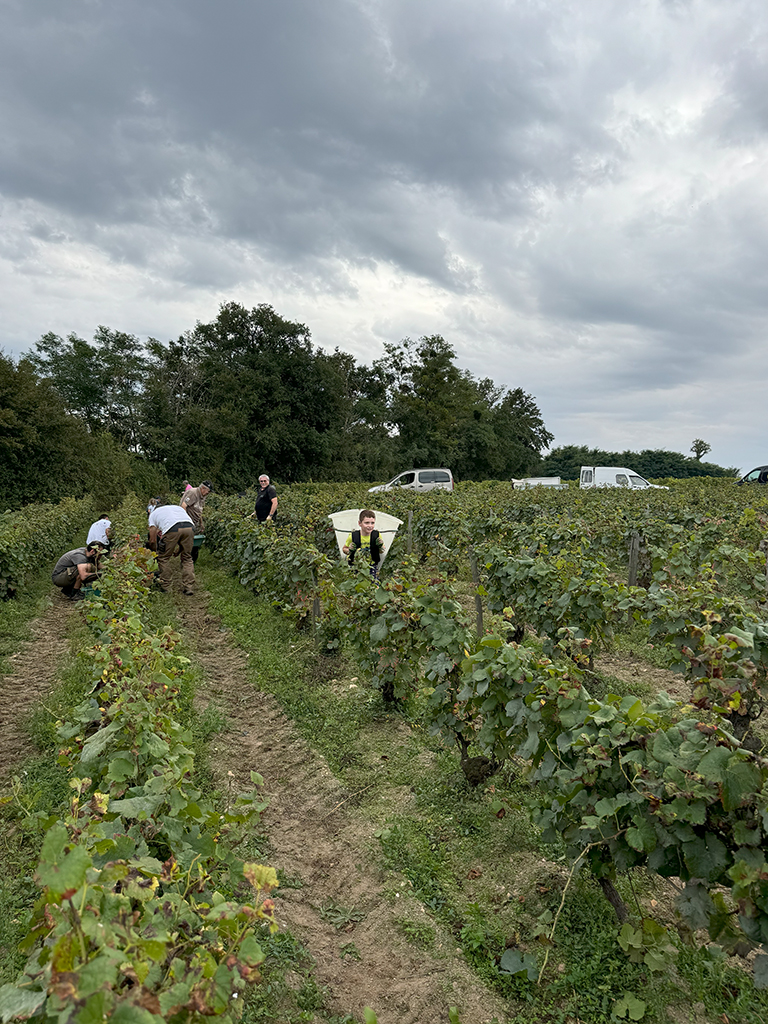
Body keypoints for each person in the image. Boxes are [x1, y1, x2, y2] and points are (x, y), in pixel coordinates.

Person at [147, 503, 196, 595]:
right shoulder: (177, 508)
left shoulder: (153, 514)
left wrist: (154, 551)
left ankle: (166, 586)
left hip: (172, 528)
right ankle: (188, 587)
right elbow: (182, 530)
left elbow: (152, 540)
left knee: (163, 558)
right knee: (187, 558)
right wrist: (179, 550)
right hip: (189, 527)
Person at [342, 510, 385, 579]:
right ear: (360, 523)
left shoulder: (376, 535)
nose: (370, 526)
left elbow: (382, 550)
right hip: (356, 565)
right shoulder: (353, 536)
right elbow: (344, 549)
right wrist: (349, 550)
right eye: (367, 523)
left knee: (372, 582)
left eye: (372, 523)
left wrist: (380, 546)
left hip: (371, 565)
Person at [180, 480, 212, 562]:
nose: (208, 493)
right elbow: (183, 506)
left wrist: (201, 523)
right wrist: (186, 522)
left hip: (195, 522)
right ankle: (186, 561)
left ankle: (192, 561)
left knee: (195, 543)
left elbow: (199, 511)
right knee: (188, 543)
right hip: (188, 522)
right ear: (203, 488)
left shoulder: (202, 496)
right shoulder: (193, 493)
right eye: (208, 491)